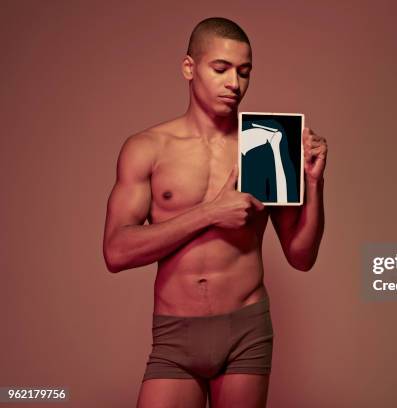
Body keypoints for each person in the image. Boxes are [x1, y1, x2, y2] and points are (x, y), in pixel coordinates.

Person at [102, 17, 327, 408]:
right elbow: (116, 252)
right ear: (189, 68)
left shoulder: (265, 141)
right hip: (175, 333)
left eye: (244, 72)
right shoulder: (148, 148)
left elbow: (301, 257)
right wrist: (210, 213)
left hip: (246, 329)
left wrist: (313, 184)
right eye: (220, 69)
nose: (234, 84)